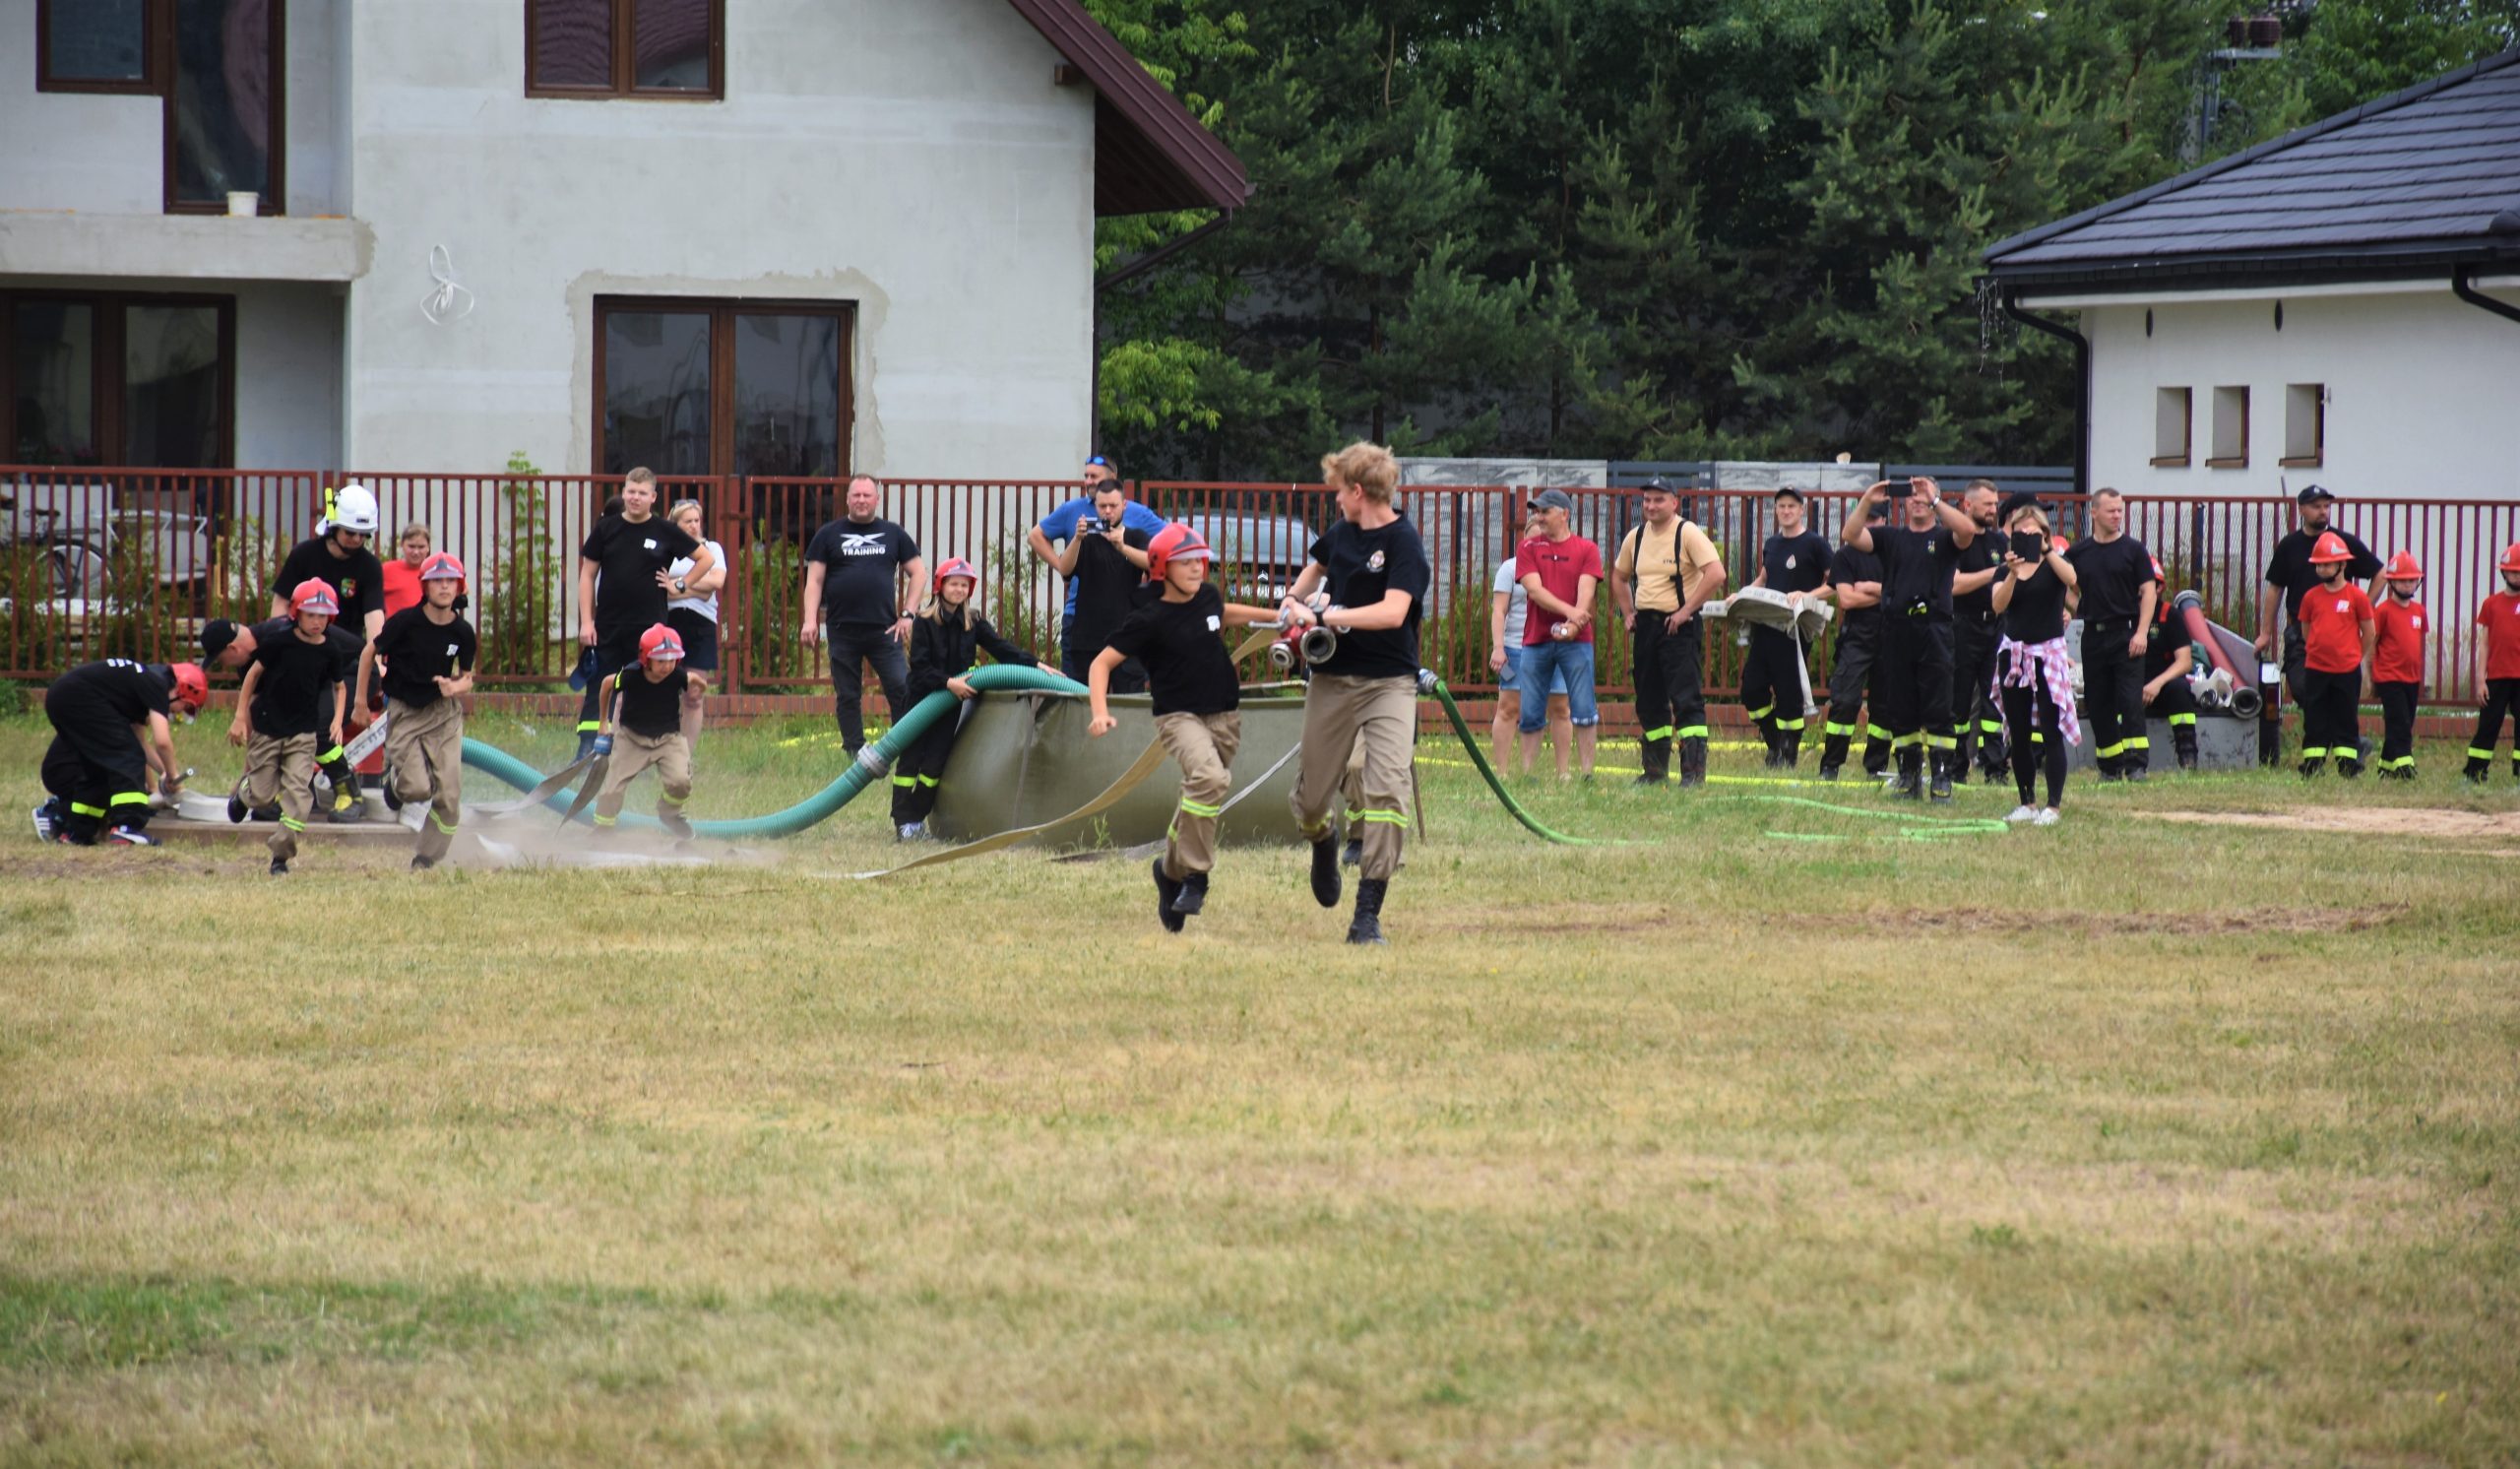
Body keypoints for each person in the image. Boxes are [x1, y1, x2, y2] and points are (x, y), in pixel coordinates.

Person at [1280, 442, 1432, 946]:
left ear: (1359, 491)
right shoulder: (1342, 533)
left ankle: (1367, 914)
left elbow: (1392, 612)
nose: (1336, 500)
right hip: (1332, 679)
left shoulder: (1404, 542)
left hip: (1389, 682)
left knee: (1387, 791)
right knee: (1310, 801)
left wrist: (1326, 615)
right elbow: (1314, 571)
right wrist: (1293, 600)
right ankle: (1323, 841)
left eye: (1339, 491)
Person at [1091, 526, 1278, 930]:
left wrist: (1275, 617)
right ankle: (1196, 876)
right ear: (1161, 568)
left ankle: (1168, 872)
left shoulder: (1206, 597)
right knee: (1210, 779)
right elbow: (1101, 663)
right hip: (1178, 718)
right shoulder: (1148, 618)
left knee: (1200, 794)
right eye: (1186, 562)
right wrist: (1099, 711)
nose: (1197, 568)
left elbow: (1225, 613)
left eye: (1200, 561)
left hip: (1225, 716)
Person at [895, 557, 1059, 841]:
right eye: (953, 584)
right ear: (940, 586)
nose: (958, 590)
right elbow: (919, 667)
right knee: (910, 762)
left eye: (964, 585)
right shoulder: (924, 622)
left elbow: (1001, 648)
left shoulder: (973, 621)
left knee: (934, 765)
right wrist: (949, 683)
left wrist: (1036, 665)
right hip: (921, 700)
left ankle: (917, 820)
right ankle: (903, 822)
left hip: (950, 705)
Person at [1841, 475, 1974, 801]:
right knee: (1901, 705)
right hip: (1897, 629)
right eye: (1912, 495)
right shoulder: (1891, 537)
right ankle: (1908, 776)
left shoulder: (1943, 538)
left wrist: (1936, 500)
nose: (1917, 500)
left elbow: (1967, 531)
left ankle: (1941, 778)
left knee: (1939, 705)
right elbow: (1851, 535)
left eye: (1923, 495)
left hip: (1934, 629)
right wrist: (1868, 499)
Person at [271, 481, 388, 819]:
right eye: (350, 532)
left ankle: (347, 791)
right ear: (333, 526)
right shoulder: (304, 556)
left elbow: (374, 618)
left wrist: (380, 663)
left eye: (363, 534)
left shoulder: (369, 567)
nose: (356, 540)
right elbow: (280, 606)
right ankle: (293, 789)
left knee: (321, 725)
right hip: (303, 658)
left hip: (349, 664)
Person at [576, 468, 712, 759]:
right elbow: (587, 575)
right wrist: (587, 622)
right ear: (624, 493)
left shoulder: (665, 531)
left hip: (649, 629)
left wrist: (680, 585)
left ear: (653, 497)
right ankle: (588, 748)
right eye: (630, 492)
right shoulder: (606, 529)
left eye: (641, 493)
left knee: (648, 687)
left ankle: (648, 749)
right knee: (600, 684)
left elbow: (705, 558)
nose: (635, 498)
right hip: (608, 624)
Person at [357, 553, 475, 868]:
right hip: (406, 711)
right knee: (417, 789)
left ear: (459, 586)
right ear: (424, 586)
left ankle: (427, 856)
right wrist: (360, 702)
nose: (444, 586)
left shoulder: (463, 632)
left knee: (449, 796)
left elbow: (467, 678)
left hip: (443, 714)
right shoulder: (405, 623)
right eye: (437, 581)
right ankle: (396, 785)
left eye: (450, 581)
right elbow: (370, 652)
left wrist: (454, 688)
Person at [229, 579, 352, 876]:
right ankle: (244, 793)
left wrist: (337, 721)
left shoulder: (330, 650)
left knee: (298, 799)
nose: (317, 621)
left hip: (303, 733)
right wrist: (240, 716)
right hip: (268, 728)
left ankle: (280, 857)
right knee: (262, 795)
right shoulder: (278, 642)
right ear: (297, 612)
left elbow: (340, 687)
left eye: (323, 615)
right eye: (311, 614)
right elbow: (253, 675)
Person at [1610, 478, 1726, 786]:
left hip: (1679, 626)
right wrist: (1628, 612)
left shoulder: (1687, 533)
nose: (1651, 506)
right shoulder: (1635, 536)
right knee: (1648, 699)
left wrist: (1686, 611)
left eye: (1658, 500)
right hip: (1646, 626)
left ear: (1675, 502)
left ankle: (1693, 774)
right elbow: (1619, 576)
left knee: (1686, 698)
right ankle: (1654, 772)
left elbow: (1716, 574)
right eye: (1647, 500)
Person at [800, 474, 925, 754]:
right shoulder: (828, 534)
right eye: (856, 495)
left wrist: (908, 614)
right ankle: (855, 752)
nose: (861, 500)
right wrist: (810, 621)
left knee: (901, 687)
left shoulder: (893, 533)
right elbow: (814, 581)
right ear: (847, 499)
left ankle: (905, 748)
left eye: (867, 495)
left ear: (876, 499)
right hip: (842, 630)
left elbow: (919, 573)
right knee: (848, 694)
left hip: (885, 629)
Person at [34, 659, 203, 847]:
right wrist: (172, 774)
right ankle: (127, 827)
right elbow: (162, 742)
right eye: (186, 707)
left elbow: (140, 742)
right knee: (128, 758)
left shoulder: (141, 682)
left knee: (97, 768)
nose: (179, 713)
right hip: (78, 697)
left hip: (61, 696)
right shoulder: (157, 686)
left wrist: (164, 773)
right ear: (180, 690)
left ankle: (79, 831)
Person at [1024, 456, 1166, 679]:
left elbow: (1168, 545)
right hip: (1081, 617)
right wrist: (1063, 565)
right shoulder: (1073, 511)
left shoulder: (1138, 518)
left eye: (1094, 476)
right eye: (1086, 476)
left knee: (1127, 691)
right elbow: (1036, 537)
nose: (1089, 481)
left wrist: (1127, 549)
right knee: (1080, 689)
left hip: (1126, 617)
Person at [1987, 506, 2080, 825]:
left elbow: (2072, 579)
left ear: (2044, 532)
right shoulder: (2005, 570)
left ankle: (2053, 806)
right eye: (2020, 531)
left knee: (2051, 731)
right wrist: (2013, 572)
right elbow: (1998, 605)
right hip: (2013, 653)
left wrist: (2047, 550)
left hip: (2048, 653)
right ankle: (2027, 802)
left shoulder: (2055, 564)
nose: (2027, 535)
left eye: (2033, 530)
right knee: (2019, 732)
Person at [2257, 485, 2383, 713]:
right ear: (2302, 509)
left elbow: (2381, 573)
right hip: (2301, 631)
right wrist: (2266, 632)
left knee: (2340, 693)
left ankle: (2334, 729)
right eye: (2316, 506)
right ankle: (2327, 725)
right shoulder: (2289, 546)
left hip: (2339, 631)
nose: (2323, 511)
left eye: (2326, 506)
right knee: (2302, 687)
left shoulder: (2342, 543)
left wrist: (2364, 606)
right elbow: (2275, 589)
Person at [2063, 488, 2160, 782]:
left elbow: (2149, 592)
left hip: (2126, 634)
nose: (2117, 515)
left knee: (2130, 700)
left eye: (2120, 510)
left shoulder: (2133, 550)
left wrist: (2142, 632)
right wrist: (2080, 607)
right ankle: (2109, 766)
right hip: (2093, 636)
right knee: (2098, 701)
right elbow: (2062, 583)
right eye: (2111, 510)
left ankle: (2137, 765)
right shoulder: (2079, 553)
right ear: (2094, 513)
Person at [1513, 488, 1603, 780]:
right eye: (1536, 512)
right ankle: (1528, 774)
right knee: (1530, 711)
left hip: (1577, 641)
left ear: (1564, 514)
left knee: (1584, 708)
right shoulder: (1528, 547)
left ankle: (1587, 774)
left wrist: (1573, 626)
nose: (1539, 517)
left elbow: (1586, 592)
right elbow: (1535, 590)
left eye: (1544, 511)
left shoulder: (1587, 549)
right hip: (1536, 640)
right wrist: (1572, 613)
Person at [589, 623, 709, 839]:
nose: (667, 666)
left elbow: (693, 679)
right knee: (611, 792)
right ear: (646, 658)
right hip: (631, 738)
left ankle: (669, 814)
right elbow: (606, 684)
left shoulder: (677, 675)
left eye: (672, 660)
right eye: (661, 661)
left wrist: (702, 688)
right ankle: (603, 830)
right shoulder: (631, 675)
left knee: (681, 782)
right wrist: (603, 722)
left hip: (668, 739)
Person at [1741, 486, 1830, 769]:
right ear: (1776, 510)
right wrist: (1741, 596)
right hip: (1766, 625)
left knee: (1788, 693)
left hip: (1794, 630)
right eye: (1781, 506)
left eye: (1792, 506)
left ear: (1801, 510)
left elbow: (1834, 582)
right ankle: (1774, 741)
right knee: (1751, 689)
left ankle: (1787, 757)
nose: (1786, 511)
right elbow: (1763, 578)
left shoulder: (1815, 544)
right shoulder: (1772, 543)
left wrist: (1807, 595)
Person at [1051, 481, 1155, 693]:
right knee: (1085, 704)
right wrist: (1076, 539)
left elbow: (1152, 563)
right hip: (1087, 639)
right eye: (1102, 506)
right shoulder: (1086, 540)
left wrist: (1122, 547)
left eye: (1113, 505)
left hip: (1127, 638)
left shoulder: (1136, 537)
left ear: (1124, 505)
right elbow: (1064, 570)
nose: (1108, 511)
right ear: (1095, 507)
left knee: (1128, 705)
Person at [1486, 509, 1569, 774]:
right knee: (1509, 707)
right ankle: (1502, 772)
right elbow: (1499, 611)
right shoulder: (1510, 568)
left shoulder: (1563, 564)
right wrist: (1498, 648)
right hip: (1516, 649)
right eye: (1533, 540)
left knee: (1560, 708)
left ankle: (1562, 772)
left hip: (1555, 646)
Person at [1815, 500, 1893, 783]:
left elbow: (1908, 592)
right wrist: (1888, 594)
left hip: (1891, 637)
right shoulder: (1846, 555)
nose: (1869, 525)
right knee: (1844, 701)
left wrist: (1871, 588)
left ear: (1884, 522)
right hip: (1857, 637)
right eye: (1865, 519)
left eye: (1874, 520)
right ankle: (1831, 766)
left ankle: (1876, 767)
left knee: (1885, 707)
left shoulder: (1894, 551)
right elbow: (1847, 599)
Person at [2293, 532, 2375, 777]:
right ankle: (2313, 765)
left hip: (2346, 671)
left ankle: (2348, 765)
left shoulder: (2357, 597)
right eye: (2318, 565)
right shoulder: (2311, 597)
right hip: (2316, 669)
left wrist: (2354, 656)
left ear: (2342, 565)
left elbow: (2369, 632)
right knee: (2314, 718)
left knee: (2346, 719)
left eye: (2327, 564)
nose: (2321, 569)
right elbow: (2307, 631)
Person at [1946, 480, 2007, 783]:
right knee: (1958, 702)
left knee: (1994, 700)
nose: (1993, 510)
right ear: (1967, 505)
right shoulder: (1956, 541)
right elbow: (1953, 585)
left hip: (1995, 626)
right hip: (1962, 625)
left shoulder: (1999, 542)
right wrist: (1993, 573)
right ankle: (1955, 768)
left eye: (1995, 504)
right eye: (1987, 504)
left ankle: (1996, 768)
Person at [662, 499, 728, 756]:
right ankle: (664, 750)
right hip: (669, 623)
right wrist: (696, 586)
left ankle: (685, 756)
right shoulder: (667, 549)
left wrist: (677, 585)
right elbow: (661, 587)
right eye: (687, 521)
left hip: (701, 623)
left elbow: (716, 582)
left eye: (697, 520)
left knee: (694, 694)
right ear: (675, 523)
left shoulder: (712, 549)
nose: (693, 525)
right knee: (665, 690)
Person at [2465, 542, 2520, 785]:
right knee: (2488, 725)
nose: (2517, 576)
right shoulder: (2491, 604)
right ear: (2503, 572)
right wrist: (2480, 680)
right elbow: (2484, 643)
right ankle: (2475, 772)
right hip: (2496, 677)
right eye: (2513, 571)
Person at [2368, 552, 2427, 780]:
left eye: (2412, 580)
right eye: (2403, 580)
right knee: (2399, 722)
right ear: (2391, 582)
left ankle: (2386, 767)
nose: (2408, 584)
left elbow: (2417, 643)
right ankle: (2404, 766)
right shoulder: (2383, 611)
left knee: (2404, 721)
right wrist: (2372, 676)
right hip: (2389, 677)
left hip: (2411, 677)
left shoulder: (2419, 611)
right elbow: (2372, 644)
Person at [2139, 556, 2201, 772]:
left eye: (2151, 585)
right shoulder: (2124, 615)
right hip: (2132, 684)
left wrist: (2156, 684)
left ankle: (2188, 757)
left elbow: (2185, 662)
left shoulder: (2170, 616)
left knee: (2179, 689)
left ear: (2159, 588)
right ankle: (2127, 761)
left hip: (2163, 686)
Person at [381, 524, 433, 618]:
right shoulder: (386, 570)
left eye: (421, 547)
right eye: (411, 546)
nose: (416, 552)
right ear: (402, 545)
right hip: (395, 626)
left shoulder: (434, 573)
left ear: (428, 547)